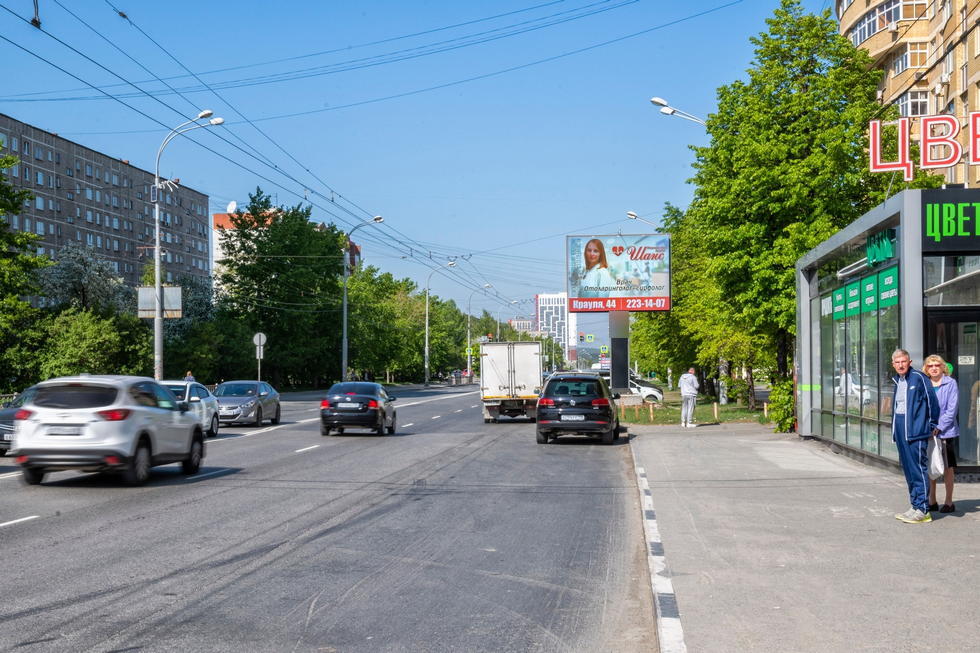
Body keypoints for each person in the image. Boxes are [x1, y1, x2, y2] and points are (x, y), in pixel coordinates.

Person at [890, 349, 940, 524]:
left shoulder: (919, 378)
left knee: (919, 470)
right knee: (909, 471)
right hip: (901, 431)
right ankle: (915, 505)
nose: (901, 365)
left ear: (909, 362)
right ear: (893, 364)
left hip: (916, 432)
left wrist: (933, 424)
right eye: (898, 362)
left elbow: (932, 401)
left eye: (904, 361)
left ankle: (923, 509)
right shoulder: (897, 380)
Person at [923, 355, 958, 513]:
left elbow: (952, 410)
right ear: (926, 368)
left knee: (947, 467)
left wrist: (940, 426)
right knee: (931, 465)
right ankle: (932, 500)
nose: (934, 368)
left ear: (942, 367)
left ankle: (949, 501)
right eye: (930, 366)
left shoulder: (950, 383)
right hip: (928, 431)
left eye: (937, 365)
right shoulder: (924, 383)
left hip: (946, 432)